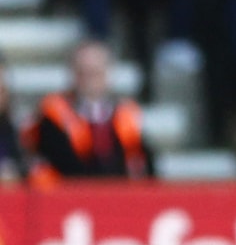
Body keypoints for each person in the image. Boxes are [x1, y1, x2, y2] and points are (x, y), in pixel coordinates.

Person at [28, 38, 150, 180]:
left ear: (107, 73)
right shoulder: (54, 113)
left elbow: (144, 163)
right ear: (72, 73)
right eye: (83, 72)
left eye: (95, 72)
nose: (90, 80)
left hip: (118, 193)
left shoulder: (127, 114)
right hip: (70, 193)